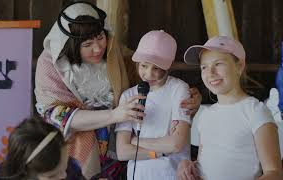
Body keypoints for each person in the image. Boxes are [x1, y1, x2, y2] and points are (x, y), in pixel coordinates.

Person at [34, 1, 202, 179]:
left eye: (100, 38)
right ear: (70, 46)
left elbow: (152, 75)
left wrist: (190, 98)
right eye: (87, 44)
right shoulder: (50, 64)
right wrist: (115, 115)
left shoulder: (115, 53)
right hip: (74, 152)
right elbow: (55, 113)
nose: (98, 48)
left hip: (121, 151)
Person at [177, 36, 283, 180]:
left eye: (218, 64)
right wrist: (188, 166)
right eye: (204, 67)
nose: (210, 73)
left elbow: (274, 173)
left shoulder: (256, 111)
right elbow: (207, 165)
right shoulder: (206, 115)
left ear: (239, 66)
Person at [115, 30, 192, 180]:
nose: (148, 74)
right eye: (144, 66)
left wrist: (135, 141)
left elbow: (176, 144)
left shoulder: (178, 89)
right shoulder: (128, 96)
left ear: (167, 67)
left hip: (172, 174)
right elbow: (122, 152)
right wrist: (160, 151)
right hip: (138, 175)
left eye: (156, 68)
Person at [0, 117, 85, 180]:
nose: (64, 176)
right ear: (26, 172)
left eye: (65, 167)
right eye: (52, 175)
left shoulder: (72, 169)